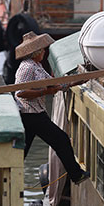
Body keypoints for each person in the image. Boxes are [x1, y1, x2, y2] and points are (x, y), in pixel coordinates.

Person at [14, 31, 90, 185]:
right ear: (36, 52)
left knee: (21, 151)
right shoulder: (27, 67)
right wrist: (45, 92)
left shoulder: (37, 65)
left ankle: (8, 178)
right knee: (61, 140)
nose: (44, 52)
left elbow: (55, 83)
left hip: (36, 113)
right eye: (42, 50)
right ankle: (76, 175)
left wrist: (75, 82)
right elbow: (20, 92)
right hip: (30, 114)